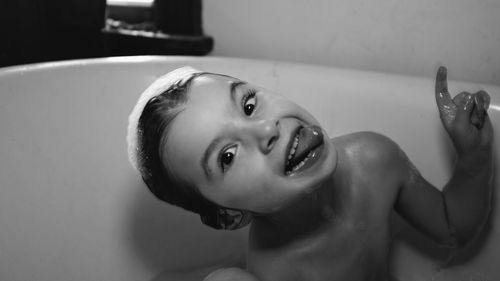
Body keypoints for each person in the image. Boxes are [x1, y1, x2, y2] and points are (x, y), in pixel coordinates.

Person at [127, 66, 494, 281]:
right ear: (229, 215)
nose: (266, 130)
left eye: (249, 104)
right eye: (227, 156)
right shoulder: (277, 271)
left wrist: (473, 157)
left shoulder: (374, 160)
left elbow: (451, 227)